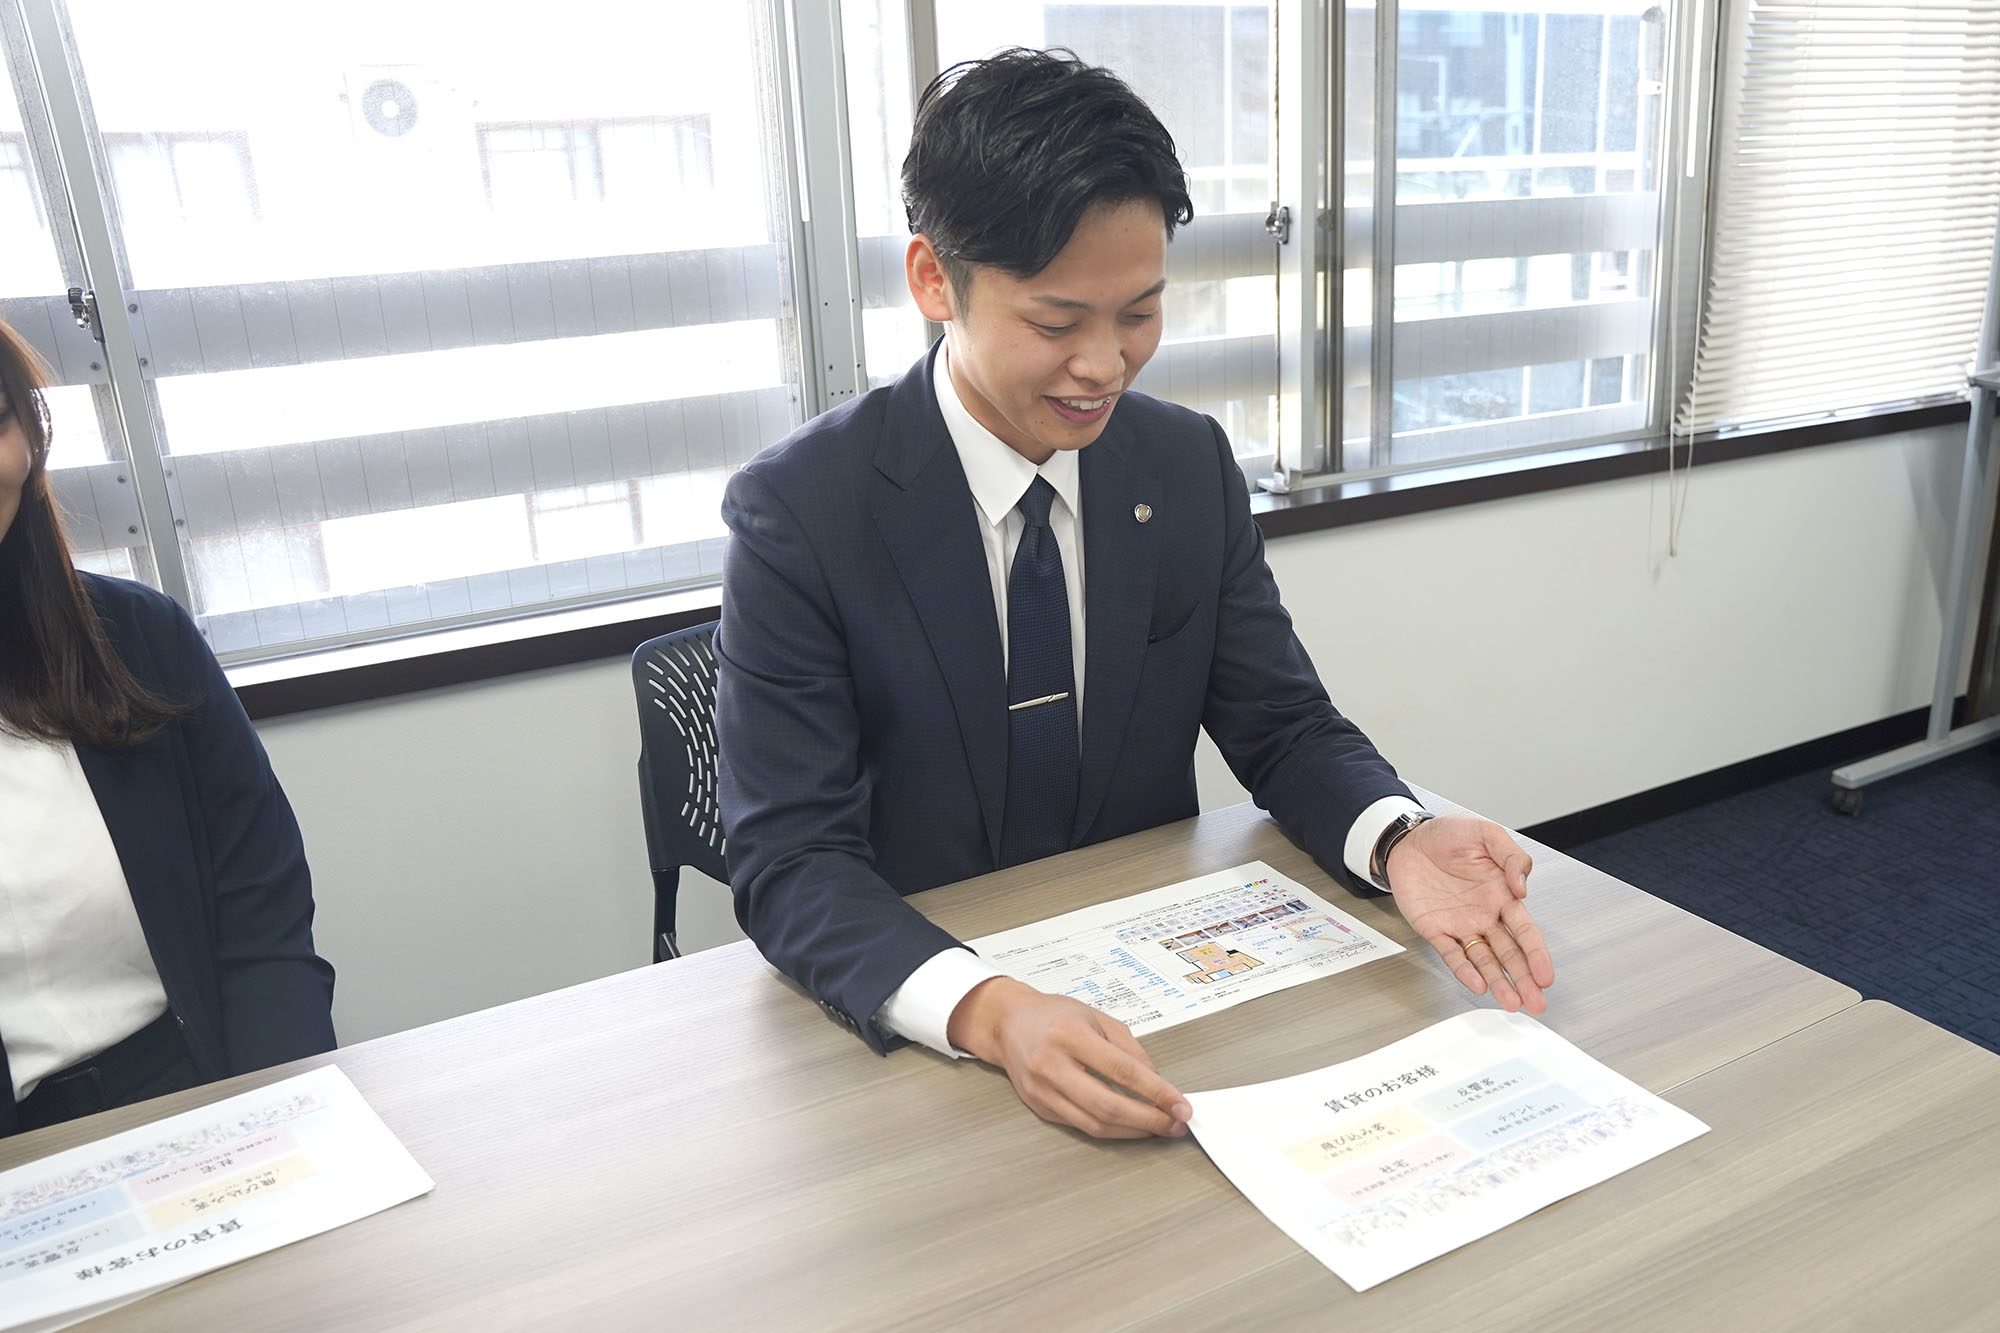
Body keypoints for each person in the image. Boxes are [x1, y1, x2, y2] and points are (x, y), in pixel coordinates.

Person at [716, 48, 1553, 1140]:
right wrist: (987, 1009)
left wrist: (1399, 838)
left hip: (1158, 992)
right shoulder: (802, 510)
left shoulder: (1183, 464)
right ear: (933, 281)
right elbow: (790, 860)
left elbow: (1283, 725)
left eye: (1140, 313)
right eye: (1056, 323)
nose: (1106, 365)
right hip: (924, 1018)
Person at [0, 317, 335, 1137]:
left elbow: (264, 920)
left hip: (196, 1087)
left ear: (30, 437)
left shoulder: (142, 639)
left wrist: (282, 1120)